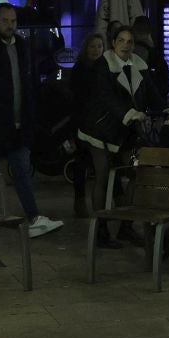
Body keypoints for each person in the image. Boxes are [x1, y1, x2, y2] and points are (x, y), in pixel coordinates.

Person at [0, 5, 62, 238]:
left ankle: (33, 217)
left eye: (13, 21)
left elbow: (28, 84)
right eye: (6, 21)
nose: (10, 25)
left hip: (18, 122)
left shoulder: (22, 48)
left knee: (20, 172)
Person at [77, 24, 157, 249]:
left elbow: (152, 93)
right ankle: (100, 230)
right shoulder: (103, 65)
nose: (125, 45)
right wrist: (130, 113)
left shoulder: (139, 65)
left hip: (125, 134)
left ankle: (125, 225)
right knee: (103, 175)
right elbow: (106, 97)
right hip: (99, 130)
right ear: (113, 43)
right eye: (121, 40)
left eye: (129, 41)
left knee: (136, 171)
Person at [69, 31, 108, 217]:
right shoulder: (80, 70)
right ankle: (80, 201)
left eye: (100, 46)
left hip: (99, 123)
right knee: (82, 162)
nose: (96, 50)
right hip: (82, 122)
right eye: (93, 46)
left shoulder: (105, 68)